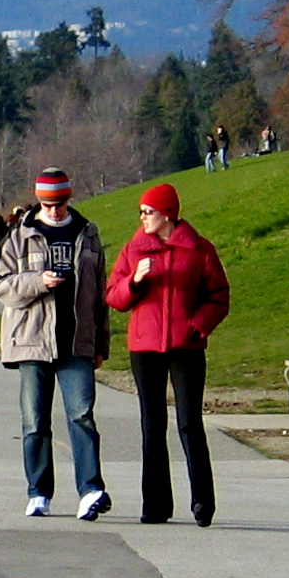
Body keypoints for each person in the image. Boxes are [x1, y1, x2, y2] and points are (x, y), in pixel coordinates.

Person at [104, 183, 230, 525]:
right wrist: (134, 281)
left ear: (167, 214)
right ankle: (156, 505)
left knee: (190, 423)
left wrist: (197, 325)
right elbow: (114, 297)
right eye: (141, 212)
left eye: (148, 212)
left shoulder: (199, 250)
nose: (143, 218)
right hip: (145, 349)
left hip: (186, 347)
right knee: (152, 424)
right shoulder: (134, 250)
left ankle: (203, 502)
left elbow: (219, 297)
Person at [0, 169, 110, 519]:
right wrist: (37, 281)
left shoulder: (87, 234)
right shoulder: (20, 236)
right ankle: (38, 491)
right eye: (48, 204)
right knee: (35, 421)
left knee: (82, 416)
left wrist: (101, 343)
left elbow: (99, 296)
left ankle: (91, 490)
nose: (55, 210)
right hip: (32, 341)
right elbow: (1, 288)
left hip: (77, 342)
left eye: (60, 203)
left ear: (69, 198)